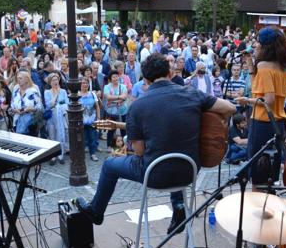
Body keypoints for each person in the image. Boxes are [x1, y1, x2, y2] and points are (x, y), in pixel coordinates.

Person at [76, 53, 235, 233]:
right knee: (172, 147)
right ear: (169, 72)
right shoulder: (191, 93)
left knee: (109, 165)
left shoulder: (137, 105)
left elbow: (139, 151)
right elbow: (230, 108)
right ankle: (179, 208)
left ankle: (96, 211)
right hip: (190, 172)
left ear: (145, 79)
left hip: (155, 175)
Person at [236, 27, 286, 187]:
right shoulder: (282, 66)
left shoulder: (265, 67)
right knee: (269, 174)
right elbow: (258, 89)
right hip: (278, 124)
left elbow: (268, 100)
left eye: (258, 42)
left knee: (258, 172)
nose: (255, 45)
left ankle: (258, 208)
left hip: (262, 123)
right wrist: (250, 65)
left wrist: (246, 100)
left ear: (265, 46)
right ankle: (267, 207)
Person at [43, 73, 68, 164]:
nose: (55, 81)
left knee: (61, 135)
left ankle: (60, 155)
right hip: (51, 117)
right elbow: (49, 105)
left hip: (61, 116)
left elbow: (66, 103)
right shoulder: (47, 92)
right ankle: (52, 156)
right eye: (53, 80)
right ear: (50, 82)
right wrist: (56, 95)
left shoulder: (64, 91)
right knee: (52, 135)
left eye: (56, 79)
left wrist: (59, 106)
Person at [11, 71, 42, 135]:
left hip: (30, 123)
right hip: (16, 122)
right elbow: (11, 105)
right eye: (17, 78)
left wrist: (29, 109)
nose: (18, 80)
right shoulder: (16, 91)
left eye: (20, 78)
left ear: (27, 79)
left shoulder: (33, 91)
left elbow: (39, 107)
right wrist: (15, 110)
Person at [80, 78, 101, 161]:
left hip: (92, 120)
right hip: (81, 121)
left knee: (93, 138)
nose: (85, 85)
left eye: (86, 83)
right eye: (83, 83)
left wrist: (98, 118)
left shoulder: (92, 94)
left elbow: (97, 106)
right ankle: (81, 155)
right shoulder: (77, 95)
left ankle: (93, 154)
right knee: (83, 139)